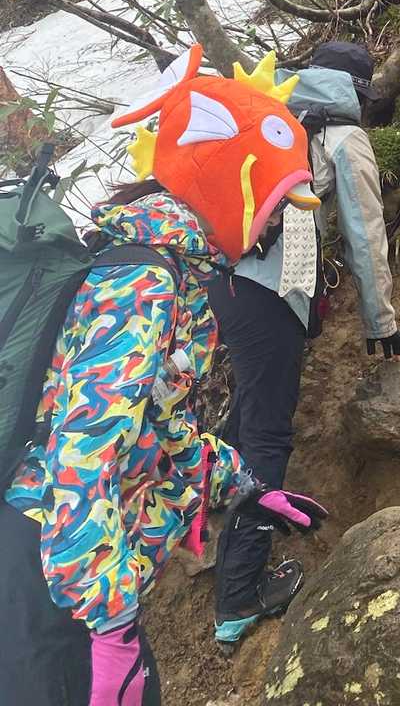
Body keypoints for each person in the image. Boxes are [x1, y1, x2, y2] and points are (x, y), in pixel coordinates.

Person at [0, 45, 327, 706]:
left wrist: (242, 485)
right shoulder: (143, 283)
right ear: (230, 185)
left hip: (66, 569)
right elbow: (80, 453)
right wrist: (112, 628)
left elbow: (161, 419)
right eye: (274, 203)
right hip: (47, 572)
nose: (273, 225)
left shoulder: (172, 270)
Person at [208, 38, 400, 646]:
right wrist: (381, 323)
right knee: (267, 435)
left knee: (248, 414)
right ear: (358, 91)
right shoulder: (343, 137)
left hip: (223, 281)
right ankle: (239, 594)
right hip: (272, 294)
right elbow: (365, 235)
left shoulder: (271, 115)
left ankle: (211, 529)